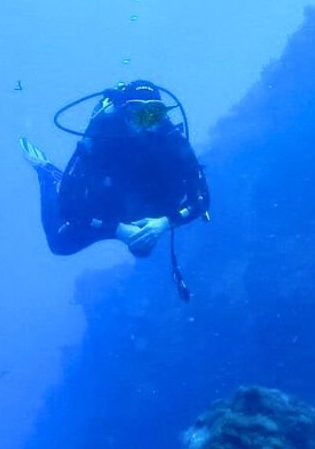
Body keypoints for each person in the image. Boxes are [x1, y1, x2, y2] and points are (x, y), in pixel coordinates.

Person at [21, 79, 210, 299]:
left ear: (163, 115)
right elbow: (68, 207)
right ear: (122, 113)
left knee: (143, 248)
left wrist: (164, 224)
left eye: (153, 114)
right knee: (58, 244)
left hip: (156, 209)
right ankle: (48, 176)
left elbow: (202, 199)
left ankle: (147, 222)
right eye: (137, 113)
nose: (146, 123)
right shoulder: (101, 139)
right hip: (109, 210)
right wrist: (117, 230)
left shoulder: (173, 141)